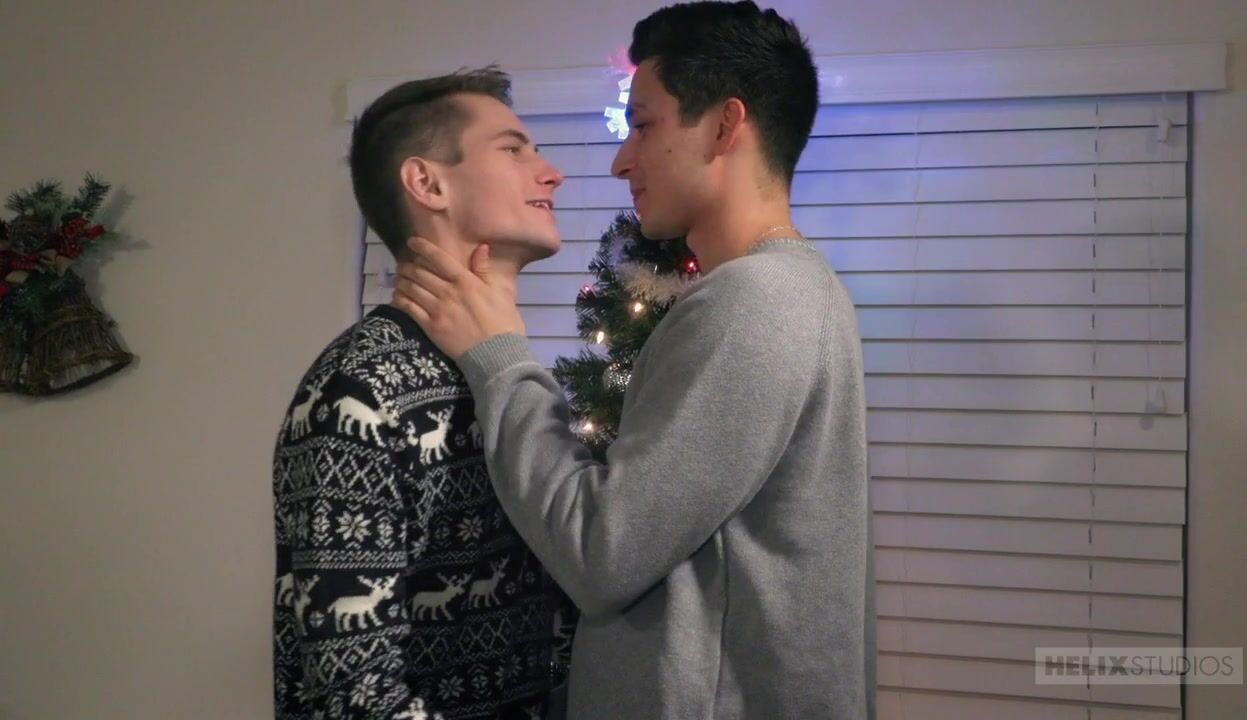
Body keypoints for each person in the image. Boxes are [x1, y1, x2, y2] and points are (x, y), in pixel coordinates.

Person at [391, 2, 876, 718]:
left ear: (724, 126)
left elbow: (602, 553)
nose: (622, 160)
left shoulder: (756, 302)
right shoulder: (794, 292)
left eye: (643, 125)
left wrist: (498, 354)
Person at [272, 67, 576, 720]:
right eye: (513, 150)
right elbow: (356, 694)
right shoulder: (360, 389)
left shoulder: (508, 377)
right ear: (427, 183)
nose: (552, 174)